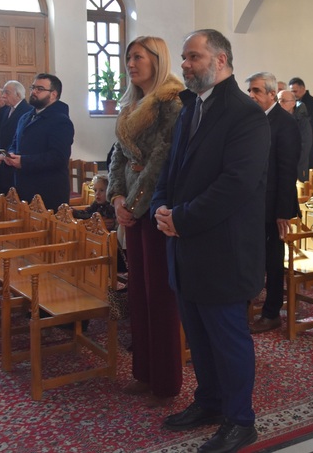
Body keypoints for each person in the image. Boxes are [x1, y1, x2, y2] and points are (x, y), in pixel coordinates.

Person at [152, 29, 267, 452]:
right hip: (186, 246)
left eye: (193, 57)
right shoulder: (192, 108)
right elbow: (172, 169)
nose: (184, 65)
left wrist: (181, 219)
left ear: (220, 60)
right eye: (184, 57)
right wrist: (161, 207)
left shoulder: (246, 114)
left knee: (227, 339)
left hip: (224, 249)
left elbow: (236, 184)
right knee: (199, 337)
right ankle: (210, 401)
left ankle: (240, 420)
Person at [107, 36, 184, 406]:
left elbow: (161, 160)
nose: (130, 64)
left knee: (160, 297)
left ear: (157, 59)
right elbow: (118, 157)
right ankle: (143, 372)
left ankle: (166, 383)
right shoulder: (131, 103)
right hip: (133, 208)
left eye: (137, 57)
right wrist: (116, 197)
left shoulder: (172, 102)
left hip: (155, 209)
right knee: (138, 292)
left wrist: (135, 205)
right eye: (128, 58)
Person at [246, 71, 300, 334]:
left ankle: (272, 312)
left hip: (273, 206)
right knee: (249, 257)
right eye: (249, 91)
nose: (251, 96)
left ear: (271, 94)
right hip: (251, 203)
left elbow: (287, 171)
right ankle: (247, 303)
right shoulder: (251, 119)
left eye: (256, 91)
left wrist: (282, 212)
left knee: (273, 262)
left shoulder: (285, 123)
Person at [2, 74, 73, 211]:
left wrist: (23, 161)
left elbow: (58, 157)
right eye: (33, 87)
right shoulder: (25, 117)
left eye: (40, 89)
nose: (34, 91)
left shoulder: (60, 121)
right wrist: (10, 154)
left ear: (53, 94)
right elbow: (15, 142)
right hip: (24, 185)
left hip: (48, 190)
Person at [0, 80, 31, 194]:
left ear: (18, 94)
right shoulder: (7, 111)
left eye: (7, 92)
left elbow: (20, 139)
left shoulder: (27, 111)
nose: (3, 96)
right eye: (3, 92)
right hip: (4, 161)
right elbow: (1, 135)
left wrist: (5, 155)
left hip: (15, 162)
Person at [278, 89, 312, 182]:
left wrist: (289, 164)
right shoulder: (276, 119)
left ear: (293, 103)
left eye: (283, 101)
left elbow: (305, 146)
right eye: (278, 101)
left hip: (297, 168)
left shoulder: (302, 121)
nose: (279, 104)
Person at [289, 77, 313, 170]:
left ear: (303, 89)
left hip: (306, 140)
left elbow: (308, 125)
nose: (293, 94)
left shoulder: (312, 102)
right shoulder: (297, 102)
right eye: (291, 92)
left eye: (295, 91)